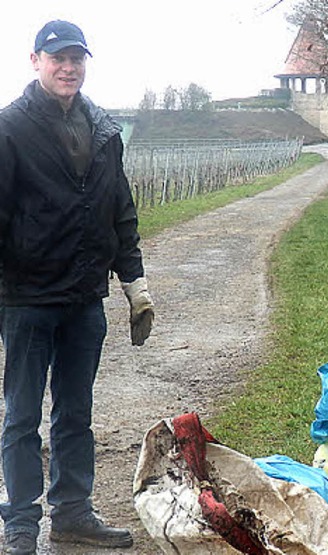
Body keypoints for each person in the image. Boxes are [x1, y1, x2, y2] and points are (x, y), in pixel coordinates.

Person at [0, 20, 155, 554]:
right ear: (35, 61)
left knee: (75, 413)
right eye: (57, 58)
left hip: (85, 299)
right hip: (26, 299)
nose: (67, 67)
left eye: (76, 59)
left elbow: (121, 211)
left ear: (85, 64)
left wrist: (133, 283)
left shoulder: (104, 130)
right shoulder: (9, 129)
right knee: (21, 415)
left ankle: (71, 513)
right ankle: (20, 522)